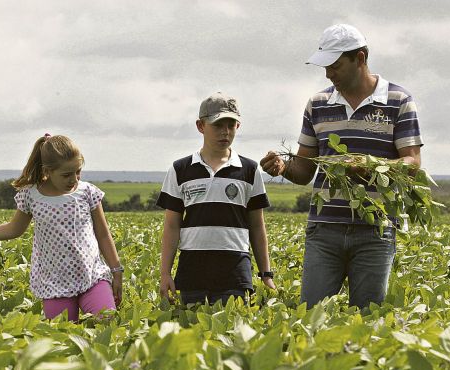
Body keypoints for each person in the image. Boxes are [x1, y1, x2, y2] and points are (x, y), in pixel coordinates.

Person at [260, 24, 423, 309]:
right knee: (311, 315)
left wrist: (369, 167)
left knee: (368, 318)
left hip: (375, 230)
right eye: (325, 67)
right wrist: (282, 167)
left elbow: (412, 163)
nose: (328, 74)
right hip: (324, 230)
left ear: (360, 59)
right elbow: (304, 170)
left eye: (335, 66)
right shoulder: (318, 104)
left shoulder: (399, 101)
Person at [0, 134, 122, 322]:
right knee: (61, 333)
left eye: (78, 171)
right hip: (55, 284)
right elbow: (14, 229)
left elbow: (103, 234)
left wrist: (116, 270)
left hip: (92, 277)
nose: (74, 179)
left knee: (106, 320)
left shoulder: (87, 192)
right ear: (48, 171)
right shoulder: (31, 195)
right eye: (66, 175)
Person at [158, 92, 276, 306]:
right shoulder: (180, 169)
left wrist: (266, 274)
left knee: (233, 324)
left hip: (235, 273)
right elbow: (172, 226)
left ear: (238, 126)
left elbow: (257, 227)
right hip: (192, 272)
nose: (225, 132)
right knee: (192, 326)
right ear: (200, 126)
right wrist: (165, 273)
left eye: (231, 125)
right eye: (218, 125)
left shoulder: (249, 170)